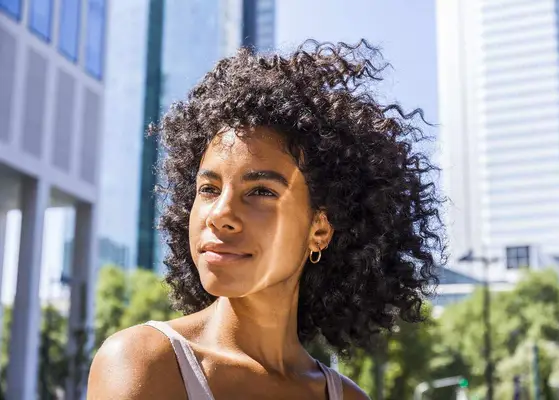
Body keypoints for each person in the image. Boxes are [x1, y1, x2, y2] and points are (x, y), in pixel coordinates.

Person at [87, 39, 442, 399]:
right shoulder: (145, 362)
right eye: (208, 189)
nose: (220, 215)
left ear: (319, 229)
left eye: (261, 192)